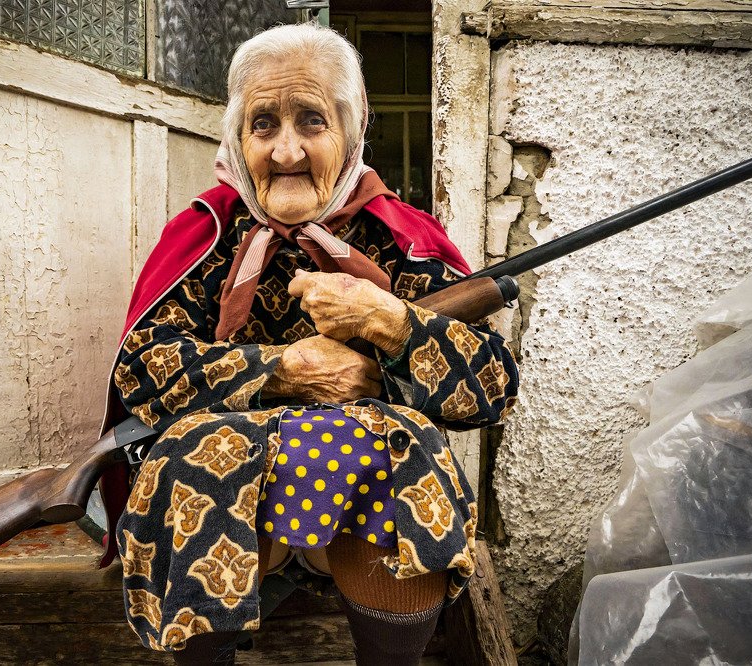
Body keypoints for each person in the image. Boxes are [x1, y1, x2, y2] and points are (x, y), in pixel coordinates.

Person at [101, 22, 518, 665]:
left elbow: (493, 386)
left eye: (312, 121)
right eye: (263, 124)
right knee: (201, 453)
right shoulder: (207, 233)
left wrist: (390, 321)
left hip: (361, 516)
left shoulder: (401, 236)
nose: (286, 150)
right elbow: (141, 370)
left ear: (352, 129)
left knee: (402, 450)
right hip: (232, 512)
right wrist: (283, 369)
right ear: (237, 137)